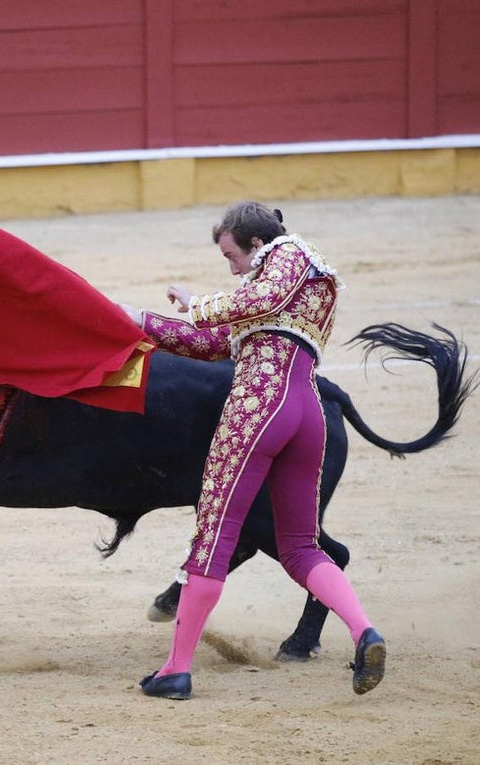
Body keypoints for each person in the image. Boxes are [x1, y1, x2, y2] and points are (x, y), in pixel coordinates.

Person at [121, 201, 385, 700]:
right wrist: (136, 320)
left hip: (259, 407)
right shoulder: (276, 297)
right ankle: (364, 632)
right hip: (306, 411)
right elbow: (211, 342)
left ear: (257, 243)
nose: (232, 266)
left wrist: (198, 303)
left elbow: (249, 301)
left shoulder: (290, 253)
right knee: (300, 547)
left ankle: (176, 668)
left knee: (215, 536)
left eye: (231, 255)